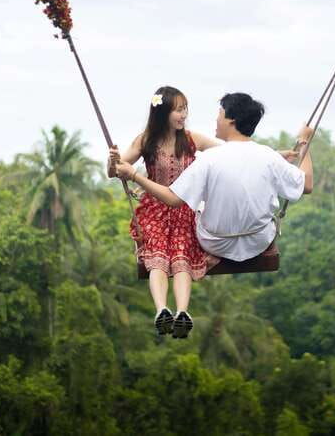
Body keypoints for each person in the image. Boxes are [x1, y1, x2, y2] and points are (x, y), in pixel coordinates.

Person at [114, 91, 313, 269]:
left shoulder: (209, 159)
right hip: (258, 241)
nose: (216, 119)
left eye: (220, 114)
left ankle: (179, 252)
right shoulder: (267, 156)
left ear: (231, 121)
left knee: (197, 198)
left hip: (215, 242)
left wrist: (134, 175)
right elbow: (308, 184)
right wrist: (305, 141)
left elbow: (173, 199)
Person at [108, 86, 221, 338]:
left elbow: (231, 153)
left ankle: (182, 312)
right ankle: (162, 310)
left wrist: (274, 156)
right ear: (163, 113)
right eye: (178, 110)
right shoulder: (146, 140)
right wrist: (113, 160)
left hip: (183, 210)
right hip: (154, 211)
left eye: (185, 110)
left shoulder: (192, 140)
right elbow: (115, 170)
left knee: (181, 257)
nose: (183, 115)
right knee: (158, 255)